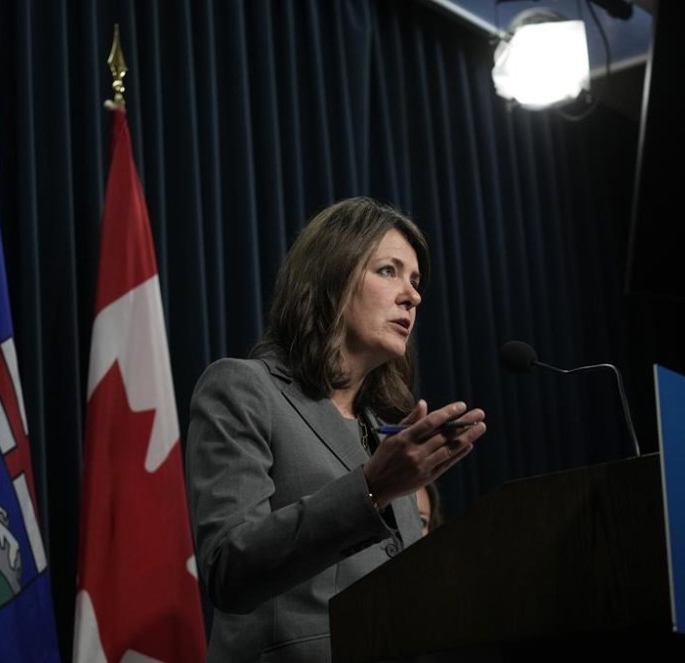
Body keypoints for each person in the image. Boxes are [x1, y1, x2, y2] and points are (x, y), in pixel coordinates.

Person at [185, 196, 487, 662]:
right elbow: (230, 570)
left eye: (416, 280)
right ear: (332, 276)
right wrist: (370, 488)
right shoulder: (243, 389)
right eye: (389, 270)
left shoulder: (386, 438)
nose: (413, 294)